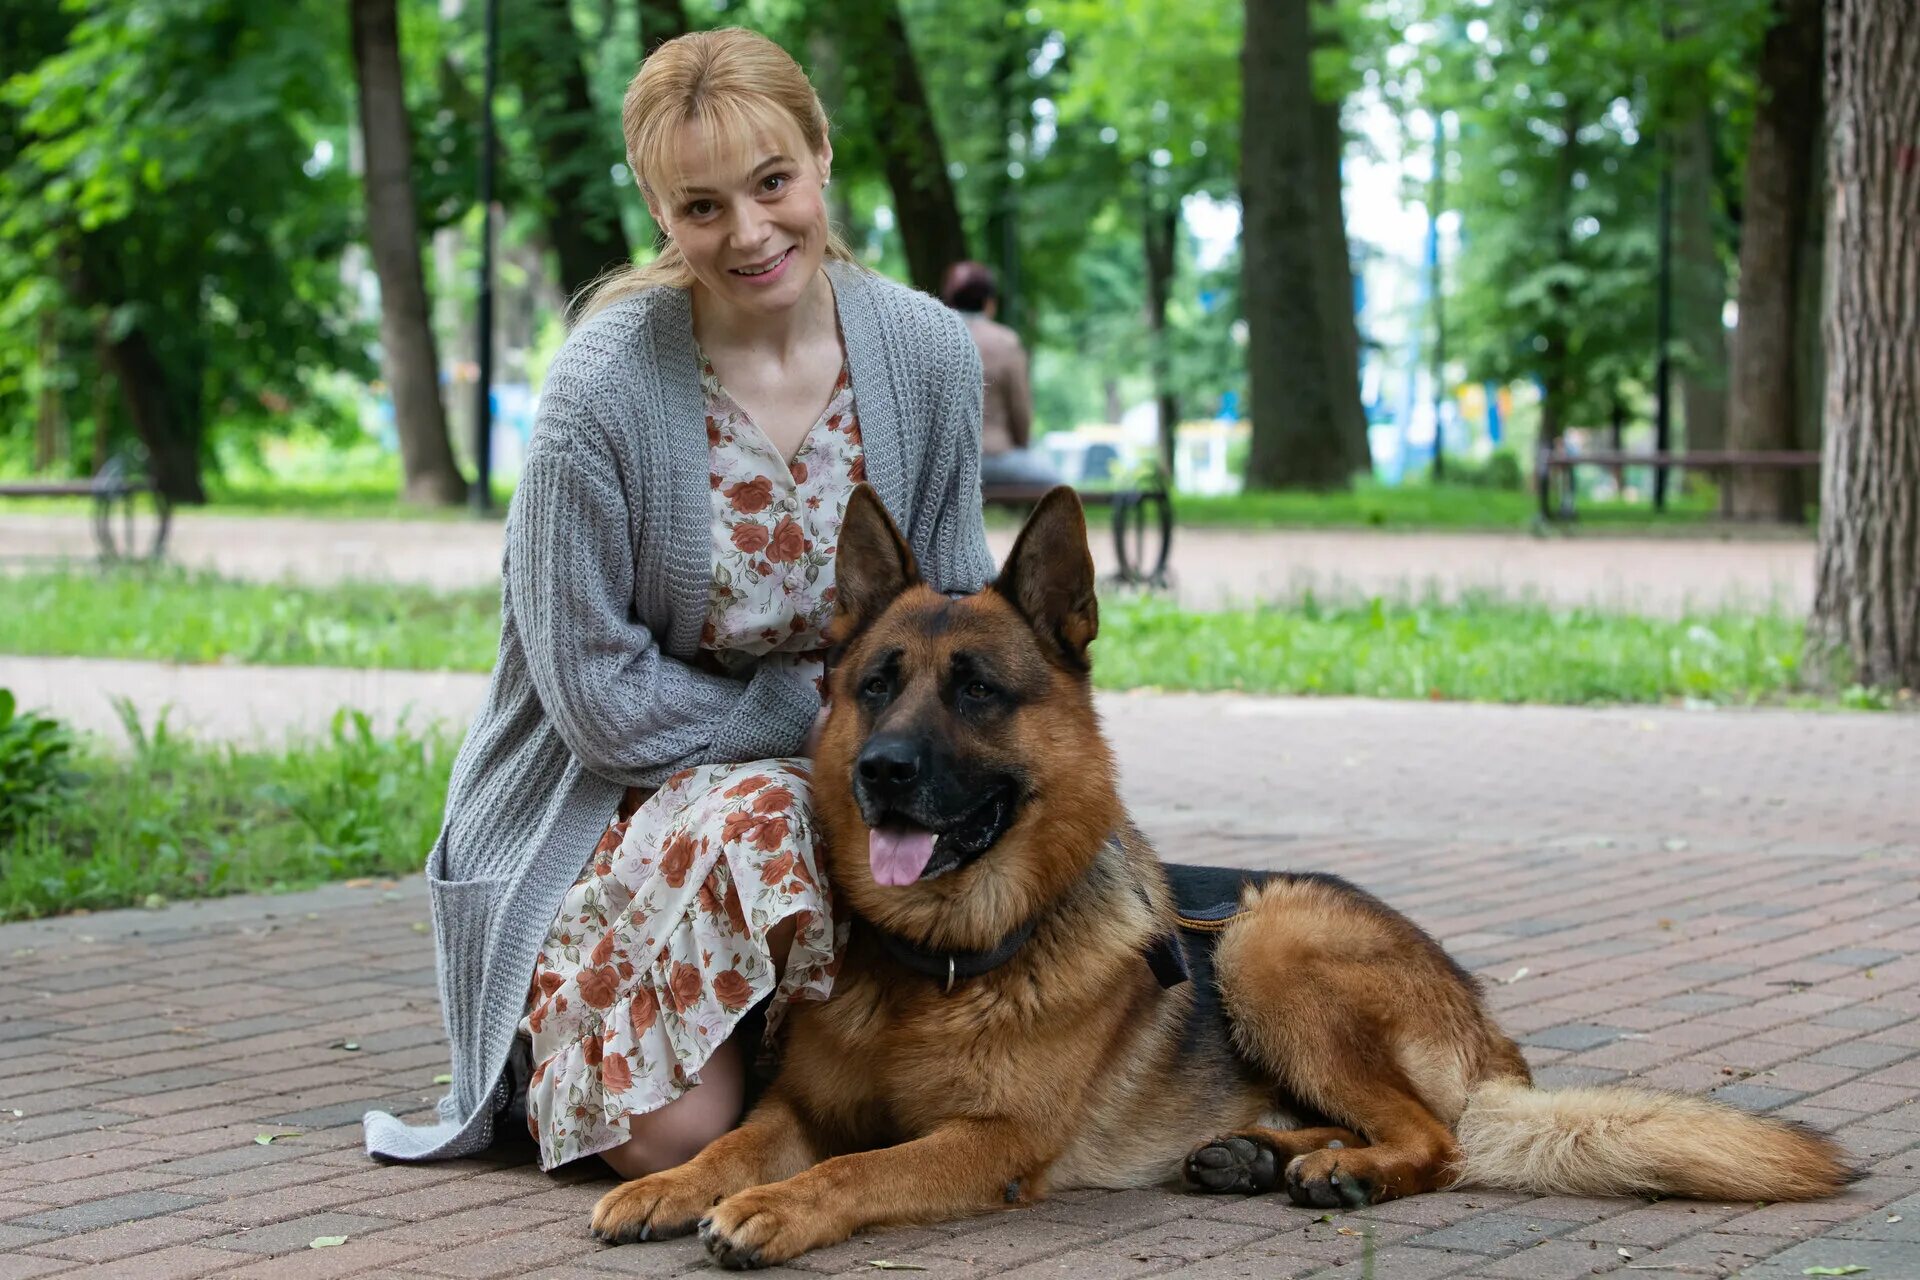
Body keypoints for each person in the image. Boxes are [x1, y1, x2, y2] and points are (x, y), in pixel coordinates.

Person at [363, 27, 994, 1175]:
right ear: (660, 211)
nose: (749, 232)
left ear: (822, 154)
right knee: (672, 1137)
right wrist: (805, 724)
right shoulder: (600, 390)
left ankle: (806, 1049)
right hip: (611, 801)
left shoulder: (927, 354)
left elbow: (952, 605)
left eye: (773, 182)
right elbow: (596, 699)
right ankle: (622, 1043)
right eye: (703, 207)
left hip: (858, 777)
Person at [940, 261, 1057, 488]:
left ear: (948, 301)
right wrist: (1022, 445)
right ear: (989, 303)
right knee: (1056, 483)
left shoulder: (932, 338)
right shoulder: (1006, 342)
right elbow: (1020, 411)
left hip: (944, 464)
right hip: (993, 459)